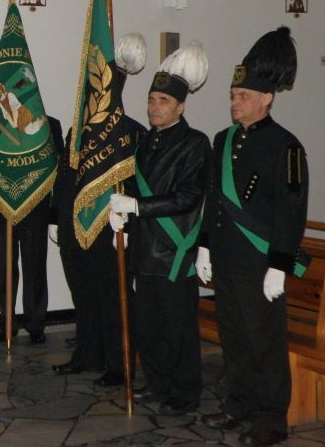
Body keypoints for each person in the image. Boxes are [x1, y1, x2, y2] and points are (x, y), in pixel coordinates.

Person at [197, 27, 308, 446]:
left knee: (264, 342)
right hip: (227, 258)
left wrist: (279, 264)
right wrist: (204, 246)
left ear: (267, 98)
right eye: (232, 94)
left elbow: (292, 211)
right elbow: (213, 198)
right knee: (234, 336)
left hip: (260, 264)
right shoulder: (222, 140)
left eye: (242, 95)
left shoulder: (286, 147)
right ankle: (239, 403)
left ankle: (271, 418)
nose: (234, 102)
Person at [109, 42, 211, 415]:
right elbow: (134, 187)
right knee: (148, 326)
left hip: (173, 250)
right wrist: (121, 214)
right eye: (151, 100)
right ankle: (158, 383)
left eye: (163, 101)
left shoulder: (195, 143)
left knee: (178, 328)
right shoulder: (144, 143)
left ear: (181, 106)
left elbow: (187, 197)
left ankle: (184, 392)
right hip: (143, 249)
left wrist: (137, 207)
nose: (154, 106)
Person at [52, 33, 147, 383]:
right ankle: (88, 354)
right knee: (83, 294)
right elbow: (65, 176)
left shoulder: (133, 133)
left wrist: (129, 225)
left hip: (110, 228)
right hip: (75, 225)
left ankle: (118, 364)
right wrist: (57, 217)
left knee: (113, 297)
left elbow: (137, 185)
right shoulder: (77, 132)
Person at [0, 117, 62, 344]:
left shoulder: (49, 124)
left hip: (35, 209)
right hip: (2, 208)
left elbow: (58, 167)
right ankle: (6, 322)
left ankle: (35, 322)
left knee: (35, 268)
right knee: (3, 270)